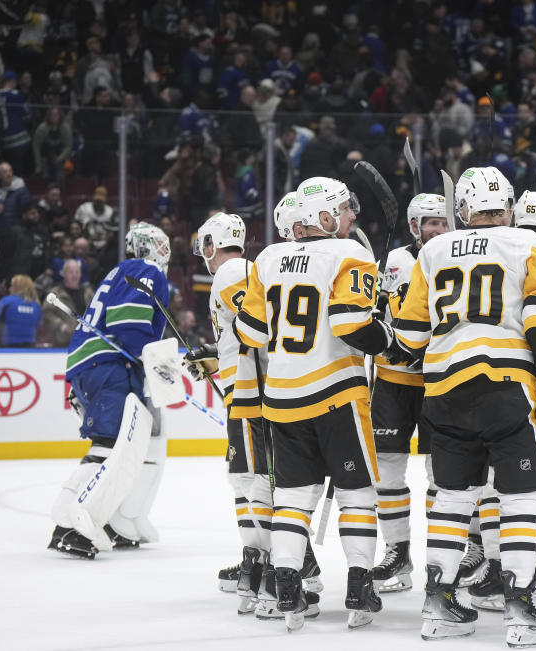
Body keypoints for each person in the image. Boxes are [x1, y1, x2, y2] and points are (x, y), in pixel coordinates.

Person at [393, 166, 536, 646]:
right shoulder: (529, 245)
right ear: (509, 207)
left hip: (443, 389)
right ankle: (519, 610)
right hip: (504, 384)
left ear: (463, 210)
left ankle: (438, 605)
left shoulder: (431, 251)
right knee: (519, 497)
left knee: (452, 498)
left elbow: (408, 338)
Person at [234, 177, 394, 632]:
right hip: (336, 394)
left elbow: (251, 333)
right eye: (344, 210)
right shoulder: (351, 254)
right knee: (356, 493)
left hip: (281, 398)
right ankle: (360, 585)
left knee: (291, 498)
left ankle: (287, 587)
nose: (351, 217)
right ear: (323, 217)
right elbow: (350, 326)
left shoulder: (266, 257)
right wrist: (384, 333)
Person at [180, 212, 284, 616]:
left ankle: (274, 568)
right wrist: (215, 356)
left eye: (204, 245)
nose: (202, 254)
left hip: (254, 396)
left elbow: (260, 331)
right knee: (244, 481)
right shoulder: (238, 273)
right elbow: (243, 334)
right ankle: (255, 564)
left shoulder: (234, 271)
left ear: (212, 244)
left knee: (257, 482)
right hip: (243, 393)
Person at [48, 222, 171, 559]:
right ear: (147, 247)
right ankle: (69, 525)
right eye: (160, 245)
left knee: (118, 443)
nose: (165, 251)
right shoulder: (145, 269)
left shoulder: (121, 269)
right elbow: (128, 323)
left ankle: (112, 521)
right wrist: (153, 360)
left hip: (97, 364)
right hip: (107, 365)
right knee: (108, 444)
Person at [370, 193, 449, 593]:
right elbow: (378, 315)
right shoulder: (393, 261)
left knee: (444, 473)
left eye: (443, 222)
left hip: (441, 381)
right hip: (393, 381)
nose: (438, 229)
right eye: (430, 223)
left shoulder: (455, 257)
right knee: (387, 470)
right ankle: (397, 553)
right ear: (415, 226)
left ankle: (445, 557)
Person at [42, 260, 94, 347]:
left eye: (77, 272)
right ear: (64, 274)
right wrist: (59, 324)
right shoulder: (55, 294)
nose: (74, 275)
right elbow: (46, 313)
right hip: (63, 344)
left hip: (86, 343)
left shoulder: (88, 294)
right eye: (71, 272)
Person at [0, 274, 42, 347]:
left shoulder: (6, 302)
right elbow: (39, 327)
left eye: (12, 286)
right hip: (29, 348)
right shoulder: (36, 306)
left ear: (17, 287)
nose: (9, 289)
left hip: (6, 347)